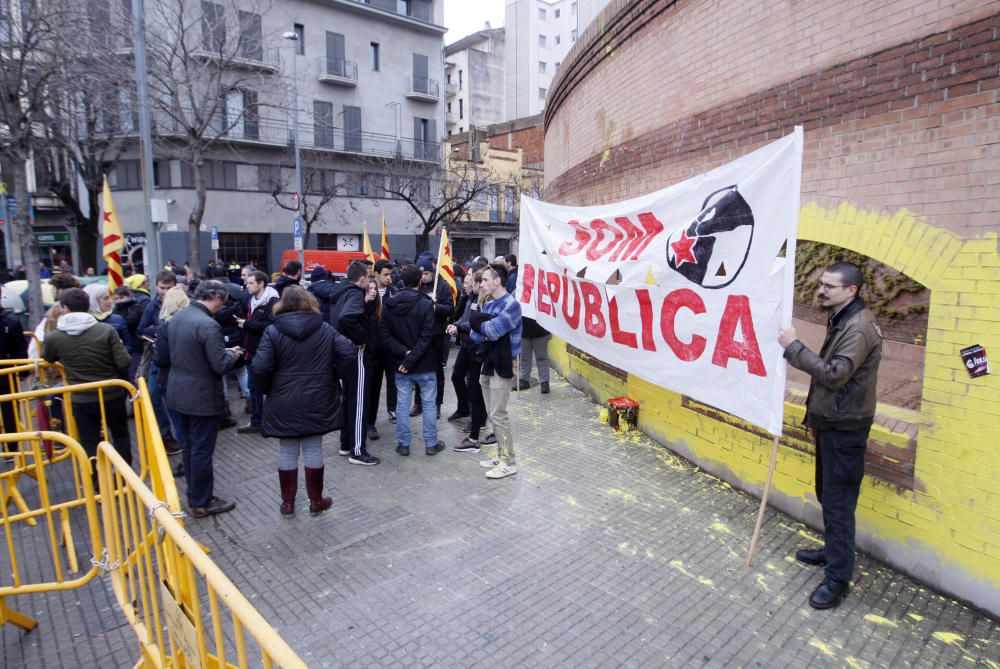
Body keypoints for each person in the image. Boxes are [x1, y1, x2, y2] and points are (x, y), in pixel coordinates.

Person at [778, 261, 883, 610]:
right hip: (832, 422)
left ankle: (838, 579)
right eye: (822, 283)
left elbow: (835, 375)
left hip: (845, 428)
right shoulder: (843, 316)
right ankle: (832, 551)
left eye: (829, 286)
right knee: (828, 494)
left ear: (851, 290)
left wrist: (794, 347)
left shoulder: (858, 328)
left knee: (838, 504)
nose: (821, 290)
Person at [253, 286, 355, 516]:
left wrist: (266, 389)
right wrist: (336, 375)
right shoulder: (325, 329)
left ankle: (287, 503)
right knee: (312, 447)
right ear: (310, 303)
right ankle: (316, 501)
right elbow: (348, 353)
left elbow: (260, 367)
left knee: (287, 450)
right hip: (318, 397)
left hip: (282, 398)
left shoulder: (272, 331)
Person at [155, 280, 243, 518]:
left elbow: (170, 354)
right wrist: (232, 355)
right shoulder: (208, 325)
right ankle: (202, 501)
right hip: (201, 396)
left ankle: (195, 495)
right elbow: (219, 365)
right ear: (216, 298)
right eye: (222, 302)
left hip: (177, 391)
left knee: (190, 448)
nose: (222, 307)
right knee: (201, 450)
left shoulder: (177, 317)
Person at [42, 287, 133, 466]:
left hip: (80, 397)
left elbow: (48, 358)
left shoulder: (54, 337)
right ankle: (127, 480)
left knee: (88, 441)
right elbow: (124, 362)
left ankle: (95, 482)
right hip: (111, 393)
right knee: (120, 434)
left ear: (65, 308)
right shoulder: (106, 330)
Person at [379, 264, 445, 457]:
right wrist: (409, 356)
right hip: (423, 364)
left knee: (402, 404)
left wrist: (404, 355)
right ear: (419, 281)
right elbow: (427, 337)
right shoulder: (425, 304)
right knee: (429, 403)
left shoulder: (390, 304)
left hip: (401, 365)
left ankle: (403, 443)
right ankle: (431, 443)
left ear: (401, 280)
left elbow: (385, 334)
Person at [470, 263, 522, 479]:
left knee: (498, 414)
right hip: (488, 362)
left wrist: (479, 325)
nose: (481, 284)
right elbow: (476, 335)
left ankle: (509, 461)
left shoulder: (512, 305)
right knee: (492, 412)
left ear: (497, 280)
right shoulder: (490, 304)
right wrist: (481, 328)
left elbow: (489, 330)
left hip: (503, 364)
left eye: (484, 280)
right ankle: (501, 454)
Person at [329, 260, 379, 465]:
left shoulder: (341, 292)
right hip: (355, 353)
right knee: (359, 402)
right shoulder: (354, 293)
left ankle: (345, 443)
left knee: (349, 398)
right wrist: (361, 339)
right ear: (361, 279)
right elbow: (347, 318)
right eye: (368, 277)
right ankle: (357, 450)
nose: (369, 281)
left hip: (343, 353)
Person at [448, 269, 492, 452]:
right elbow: (466, 318)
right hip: (468, 346)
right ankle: (471, 421)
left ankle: (479, 428)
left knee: (478, 389)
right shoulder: (471, 299)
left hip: (479, 351)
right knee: (458, 377)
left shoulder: (489, 303)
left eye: (471, 282)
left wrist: (460, 328)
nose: (470, 285)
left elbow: (478, 324)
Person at [139, 270, 182, 452]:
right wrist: (158, 331)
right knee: (154, 394)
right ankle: (166, 436)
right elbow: (141, 329)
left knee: (176, 399)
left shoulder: (181, 302)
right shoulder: (152, 305)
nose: (165, 292)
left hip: (177, 358)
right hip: (158, 356)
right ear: (156, 286)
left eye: (168, 288)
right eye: (162, 288)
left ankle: (181, 435)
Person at [236, 270, 278, 434]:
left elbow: (270, 326)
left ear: (261, 283)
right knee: (253, 388)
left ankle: (264, 420)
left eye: (251, 282)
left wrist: (247, 324)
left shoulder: (272, 302)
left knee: (264, 387)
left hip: (263, 352)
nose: (247, 285)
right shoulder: (250, 299)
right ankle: (257, 420)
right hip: (251, 350)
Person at [155, 287, 191, 474]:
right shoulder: (193, 323)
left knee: (180, 425)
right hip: (191, 382)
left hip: (171, 382)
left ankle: (187, 461)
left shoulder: (165, 328)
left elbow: (161, 358)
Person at [413, 259, 453, 418]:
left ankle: (437, 404)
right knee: (418, 368)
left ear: (433, 272)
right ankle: (419, 403)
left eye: (426, 273)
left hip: (437, 335)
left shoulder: (442, 286)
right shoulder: (417, 286)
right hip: (420, 334)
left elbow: (450, 309)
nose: (423, 277)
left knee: (437, 371)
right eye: (421, 274)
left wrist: (436, 306)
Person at [368, 260, 398, 425]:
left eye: (390, 274)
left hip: (390, 346)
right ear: (376, 274)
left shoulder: (394, 292)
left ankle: (392, 409)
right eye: (386, 274)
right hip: (373, 348)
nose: (389, 278)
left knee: (393, 380)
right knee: (374, 384)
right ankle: (370, 421)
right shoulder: (368, 293)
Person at [0, 284, 28, 435]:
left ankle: (11, 448)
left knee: (10, 414)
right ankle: (11, 448)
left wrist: (23, 371)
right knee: (9, 413)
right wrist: (23, 372)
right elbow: (20, 348)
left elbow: (20, 348)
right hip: (7, 374)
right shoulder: (11, 320)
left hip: (7, 374)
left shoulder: (10, 321)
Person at [83, 283, 132, 351]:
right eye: (106, 298)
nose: (111, 301)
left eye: (109, 297)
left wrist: (118, 351)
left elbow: (129, 346)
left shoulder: (118, 319)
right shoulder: (83, 321)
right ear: (93, 301)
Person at [518, 317, 551, 393]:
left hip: (541, 332)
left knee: (541, 358)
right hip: (524, 332)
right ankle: (524, 380)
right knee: (524, 358)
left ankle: (544, 382)